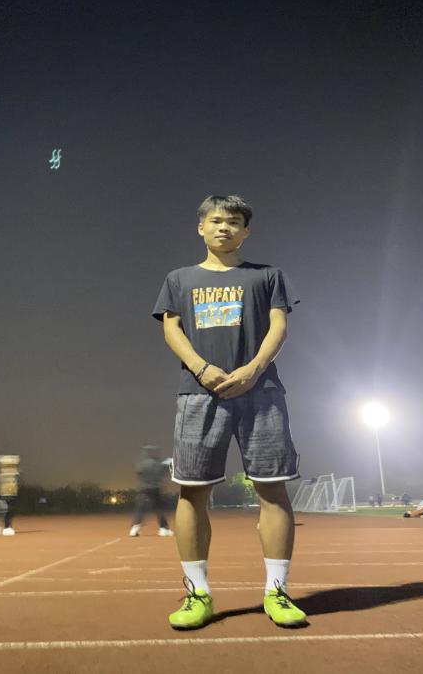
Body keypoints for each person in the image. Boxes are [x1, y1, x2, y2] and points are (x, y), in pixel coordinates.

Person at [153, 194, 306, 631]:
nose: (225, 227)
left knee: (273, 490)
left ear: (246, 231)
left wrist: (254, 369)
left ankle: (277, 591)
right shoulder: (179, 279)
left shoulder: (268, 276)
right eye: (217, 221)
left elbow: (279, 326)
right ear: (200, 227)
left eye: (234, 222)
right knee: (191, 493)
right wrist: (201, 368)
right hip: (198, 393)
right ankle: (197, 593)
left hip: (262, 392)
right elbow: (172, 329)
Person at [129, 446, 174, 537]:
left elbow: (138, 473)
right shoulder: (158, 464)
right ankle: (163, 529)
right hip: (155, 489)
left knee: (140, 508)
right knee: (159, 508)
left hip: (142, 489)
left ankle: (134, 529)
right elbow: (165, 470)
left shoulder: (141, 465)